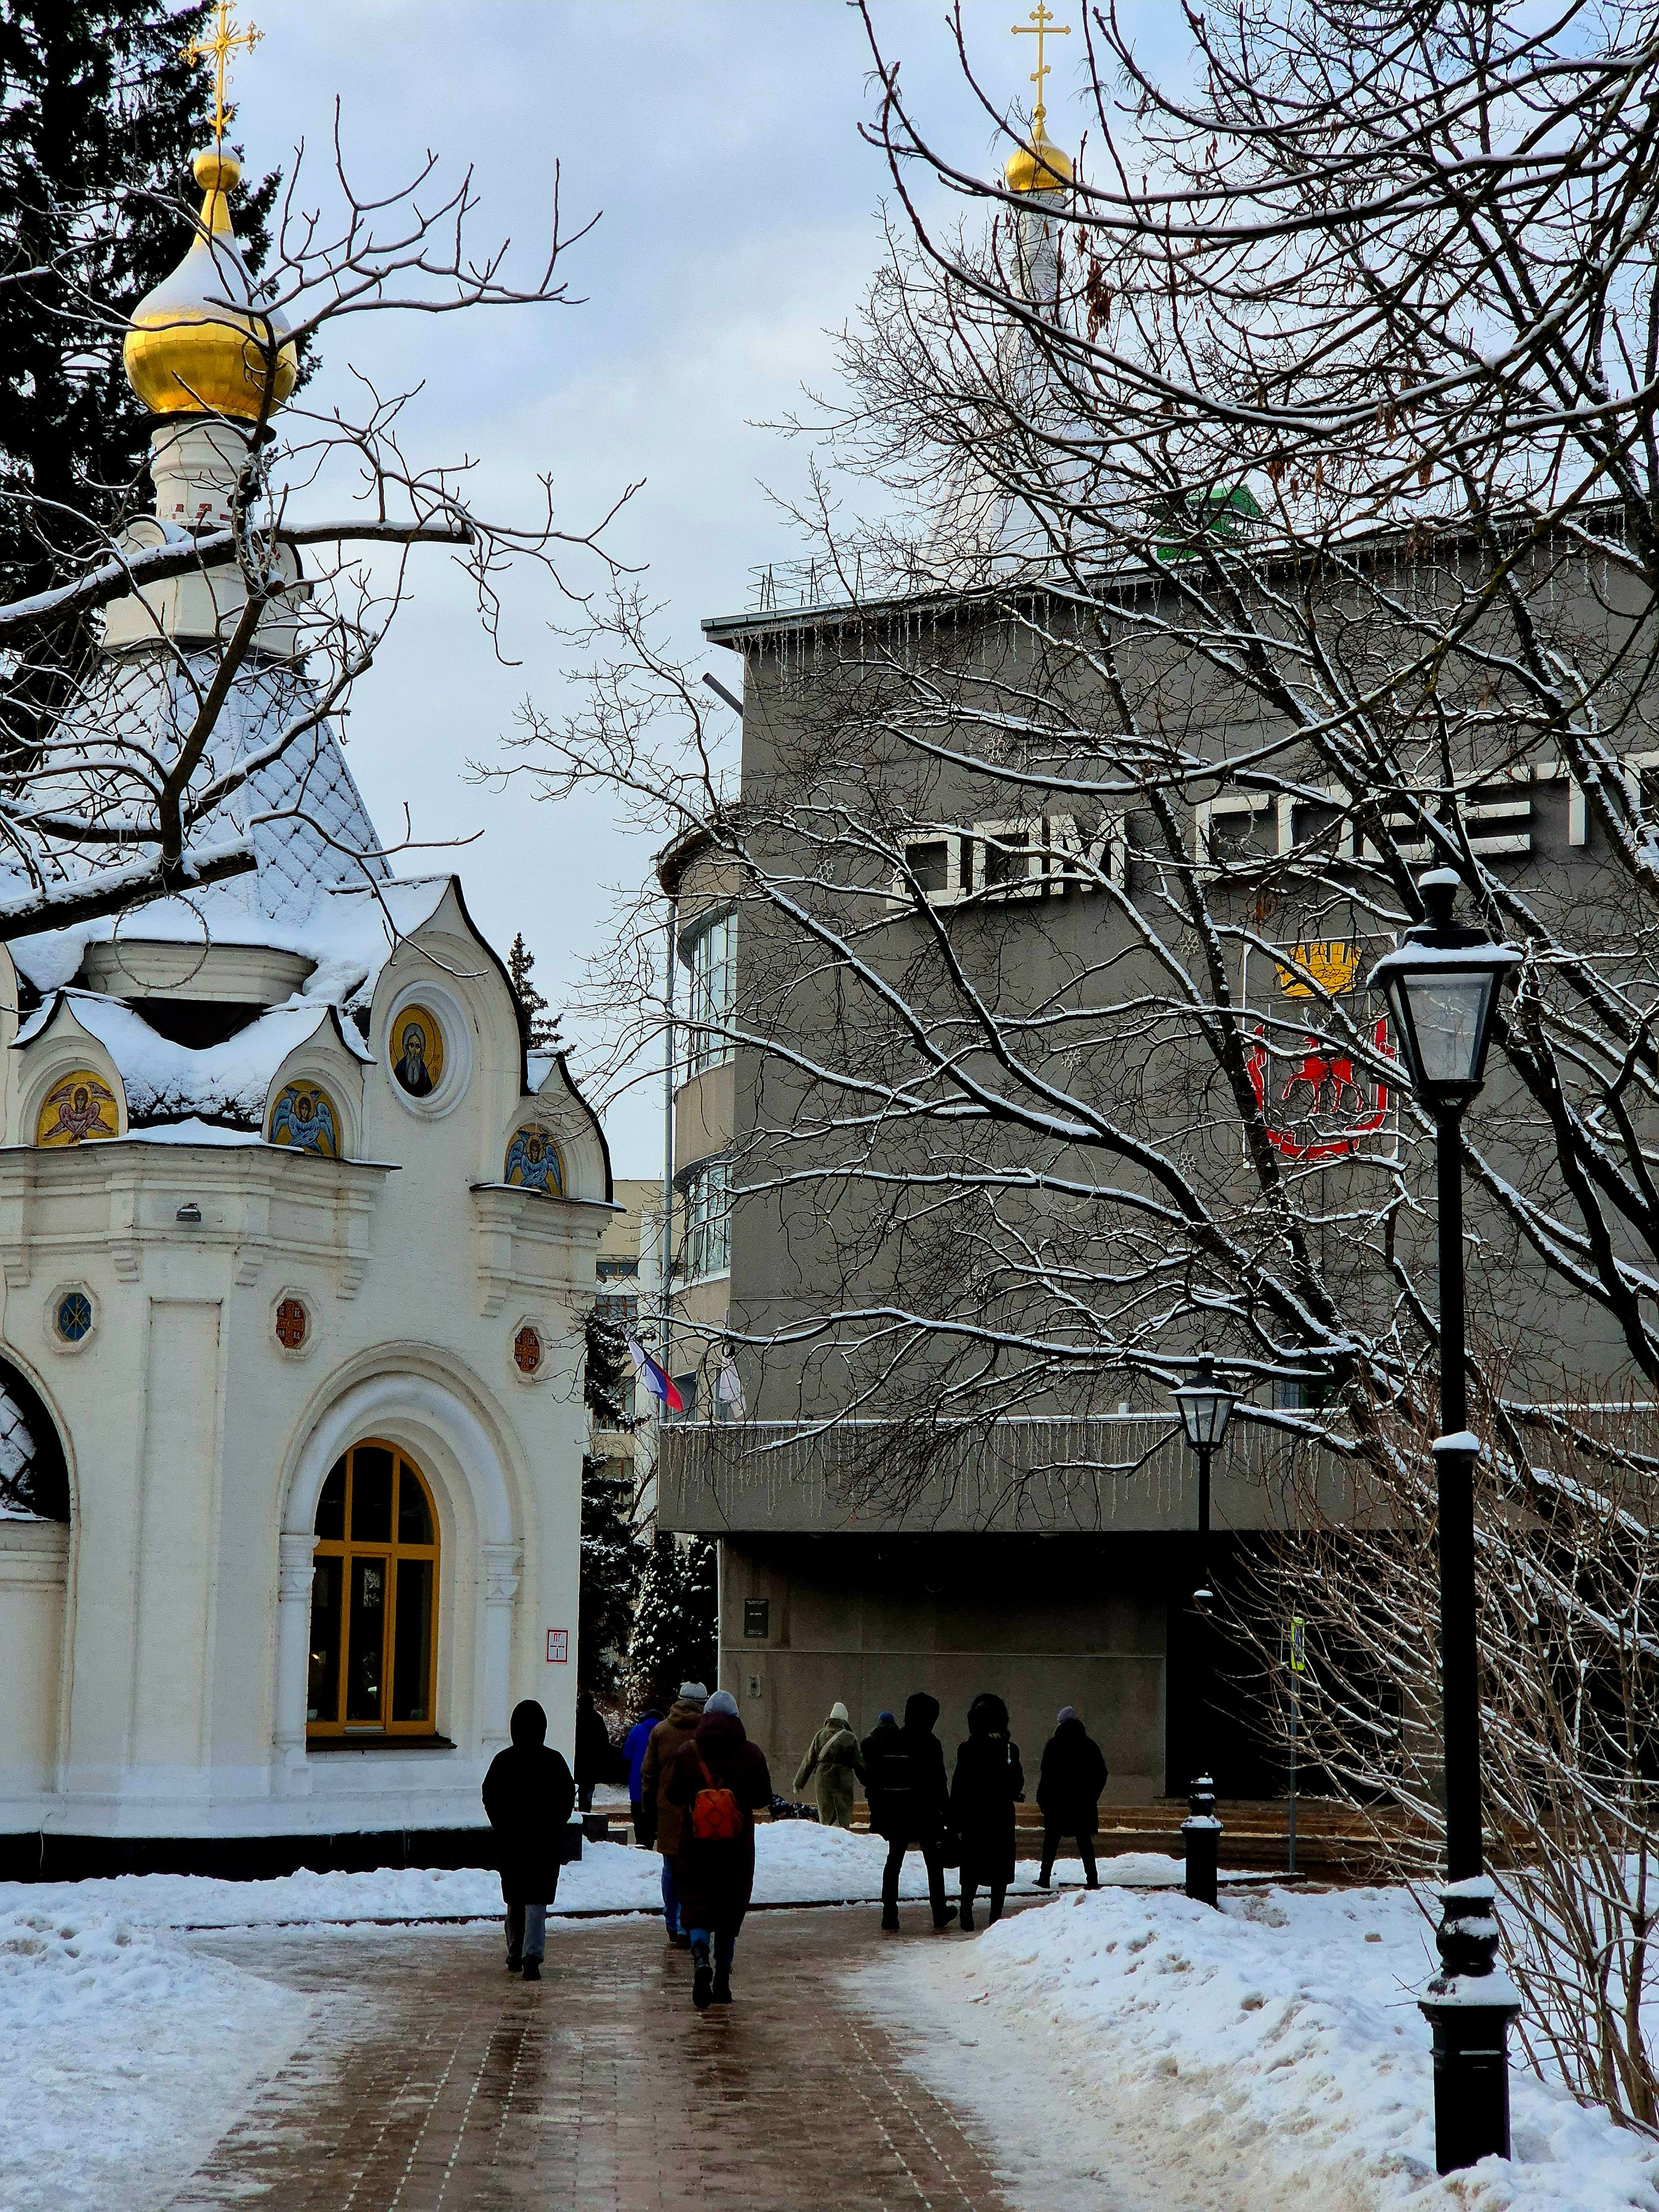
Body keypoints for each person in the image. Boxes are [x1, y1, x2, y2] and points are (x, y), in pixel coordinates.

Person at [664, 1688, 772, 2009]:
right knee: (729, 1908)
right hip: (736, 1848)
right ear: (736, 1718)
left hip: (695, 1845)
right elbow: (762, 1797)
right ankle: (722, 1981)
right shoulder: (751, 1753)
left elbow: (671, 1794)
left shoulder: (688, 1752)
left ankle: (700, 1960)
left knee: (697, 1903)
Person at [481, 1698, 575, 1981]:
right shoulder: (554, 1761)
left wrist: (502, 1825)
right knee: (537, 1899)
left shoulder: (503, 1761)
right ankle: (532, 1955)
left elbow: (490, 1796)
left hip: (512, 1842)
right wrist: (554, 1825)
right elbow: (567, 1797)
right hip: (544, 1843)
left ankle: (514, 1952)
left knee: (516, 1897)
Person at [864, 1692, 952, 1935]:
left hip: (898, 1813)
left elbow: (879, 1781)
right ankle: (939, 1912)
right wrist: (950, 1816)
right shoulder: (931, 1743)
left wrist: (880, 1814)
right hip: (926, 1814)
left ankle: (889, 1915)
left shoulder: (893, 1739)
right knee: (934, 1865)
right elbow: (939, 1783)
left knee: (894, 1862)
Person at [639, 1681, 706, 1944]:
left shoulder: (660, 1731)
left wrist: (648, 1809)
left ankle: (672, 1923)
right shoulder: (705, 1733)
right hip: (701, 1811)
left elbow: (648, 1774)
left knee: (671, 1868)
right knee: (697, 1871)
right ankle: (691, 1922)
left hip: (668, 1811)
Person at [951, 1692, 1025, 1932]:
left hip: (974, 1814)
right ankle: (995, 1916)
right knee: (1000, 1869)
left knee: (971, 1865)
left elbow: (959, 1785)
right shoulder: (1009, 1749)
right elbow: (1017, 1782)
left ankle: (966, 1911)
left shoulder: (967, 1749)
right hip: (1001, 1813)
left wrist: (956, 1819)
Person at [1036, 1705, 1108, 1890]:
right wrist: (1091, 1797)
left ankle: (1044, 1877)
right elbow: (1101, 1773)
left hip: (1057, 1803)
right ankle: (1092, 1879)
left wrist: (1043, 1799)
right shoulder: (1089, 1745)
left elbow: (1046, 1774)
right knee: (1085, 1841)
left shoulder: (1054, 1745)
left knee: (1051, 1841)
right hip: (1082, 1804)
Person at [792, 1699, 864, 1828]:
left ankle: (826, 1842)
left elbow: (809, 1760)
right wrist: (868, 1781)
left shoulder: (820, 1735)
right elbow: (859, 1763)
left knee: (825, 1816)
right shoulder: (849, 1737)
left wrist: (798, 1783)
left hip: (823, 1779)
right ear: (845, 1719)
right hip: (843, 1779)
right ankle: (842, 1841)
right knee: (843, 1814)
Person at [623, 1702, 663, 1843]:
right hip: (656, 1781)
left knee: (639, 1816)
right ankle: (651, 1839)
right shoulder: (662, 1731)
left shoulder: (636, 1730)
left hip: (637, 1780)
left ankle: (640, 1843)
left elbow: (626, 1754)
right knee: (653, 1815)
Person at [573, 1688, 613, 1813]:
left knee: (574, 1790)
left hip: (577, 1762)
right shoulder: (597, 1720)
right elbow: (604, 1743)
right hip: (591, 1764)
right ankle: (586, 1817)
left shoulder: (576, 1718)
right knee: (587, 1794)